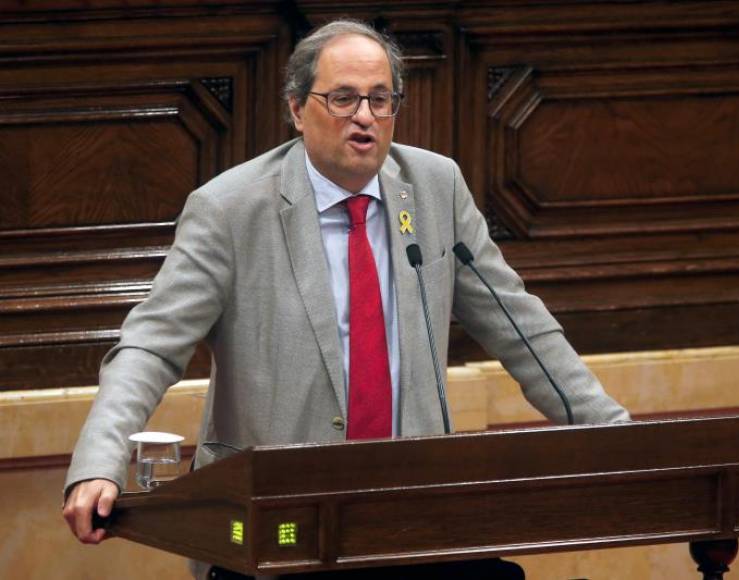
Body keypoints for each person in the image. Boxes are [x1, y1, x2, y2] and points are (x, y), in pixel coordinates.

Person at [62, 19, 629, 579]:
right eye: (343, 99)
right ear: (296, 109)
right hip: (277, 521)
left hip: (411, 516)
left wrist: (614, 435)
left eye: (380, 100)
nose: (365, 117)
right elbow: (150, 347)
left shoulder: (436, 188)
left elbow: (520, 327)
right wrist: (98, 464)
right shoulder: (230, 210)